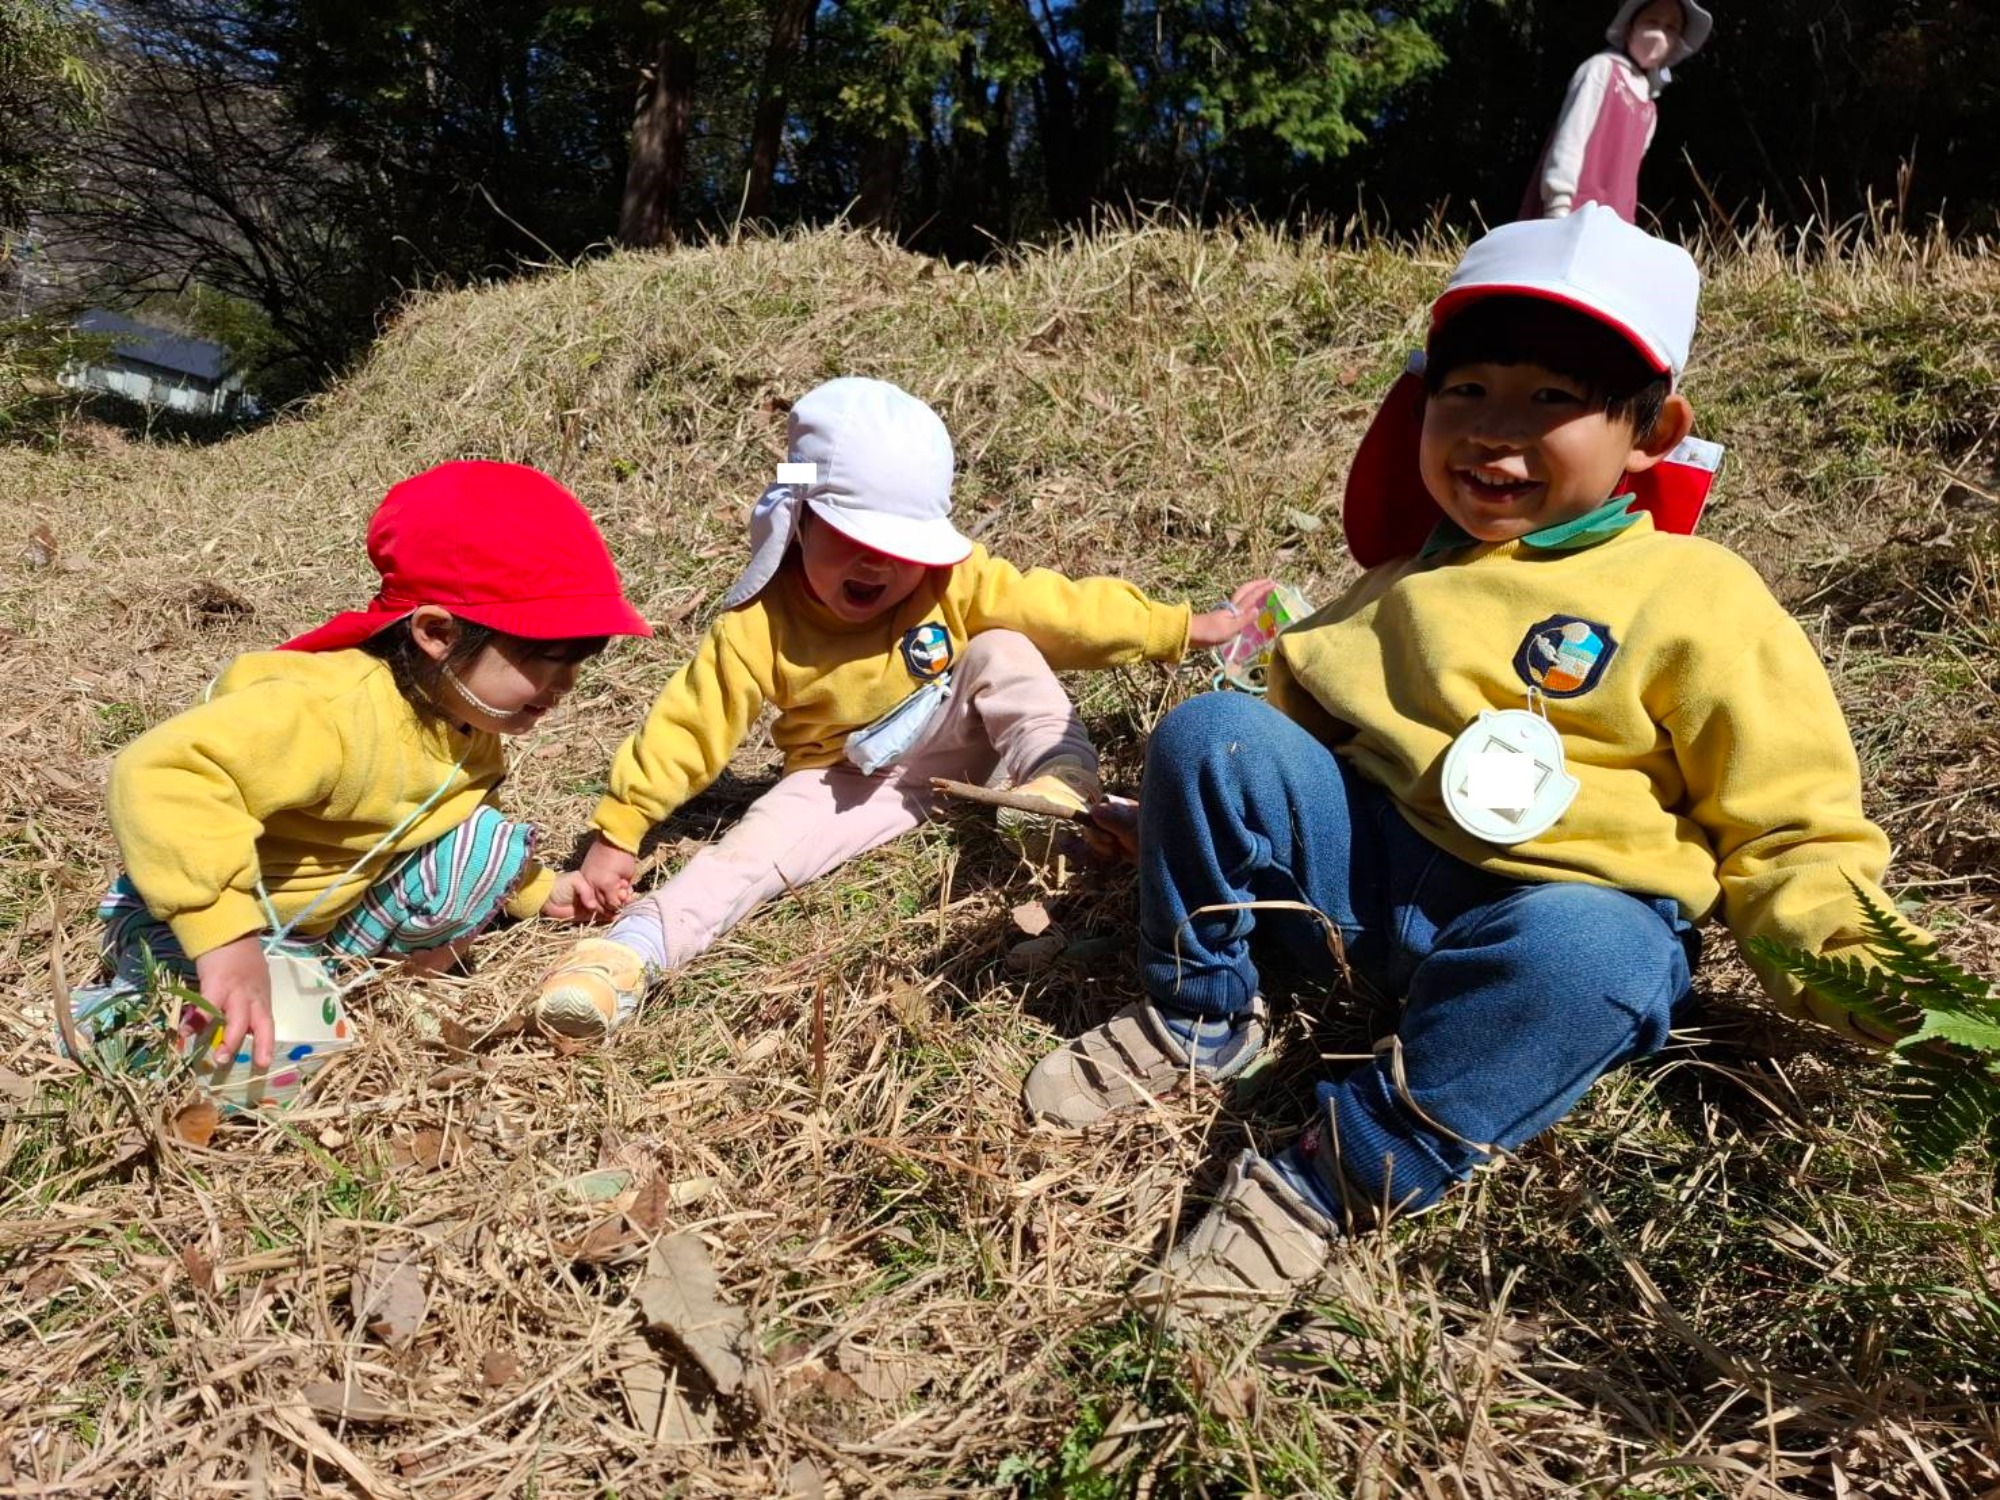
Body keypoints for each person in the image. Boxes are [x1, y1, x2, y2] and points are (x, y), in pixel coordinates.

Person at [1022, 206, 1916, 1321]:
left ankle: (1327, 1179)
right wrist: (1174, 820)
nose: (1495, 433)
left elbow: (1789, 826)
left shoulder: (1702, 595)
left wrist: (1878, 978)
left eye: (1550, 400)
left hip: (1547, 913)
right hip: (1365, 887)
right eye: (1465, 392)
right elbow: (1295, 732)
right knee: (1209, 732)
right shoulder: (1411, 572)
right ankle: (1200, 1012)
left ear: (1650, 429)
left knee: (1600, 951)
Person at [535, 376, 1270, 1039]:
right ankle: (627, 954)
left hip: (962, 725)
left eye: (901, 545)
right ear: (801, 521)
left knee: (1005, 647)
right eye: (854, 538)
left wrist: (1183, 627)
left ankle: (1060, 790)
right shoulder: (761, 623)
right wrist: (620, 830)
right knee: (751, 853)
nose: (880, 564)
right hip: (846, 779)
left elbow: (1063, 611)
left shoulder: (951, 580)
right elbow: (688, 726)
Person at [82, 461, 652, 1071]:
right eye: (546, 657)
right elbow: (162, 773)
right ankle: (100, 1026)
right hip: (195, 924)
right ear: (436, 632)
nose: (565, 684)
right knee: (237, 1060)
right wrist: (226, 939)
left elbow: (438, 822)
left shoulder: (464, 716)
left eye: (578, 662)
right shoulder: (328, 712)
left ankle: (323, 983)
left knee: (483, 844)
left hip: (316, 924)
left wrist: (541, 890)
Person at [1521, 0, 1714, 223]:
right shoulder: (1601, 70)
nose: (1660, 33)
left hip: (1613, 224)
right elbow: (1570, 138)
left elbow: (1628, 175)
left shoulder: (1649, 108)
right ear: (1631, 26)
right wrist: (1557, 207)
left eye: (1671, 28)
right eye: (1652, 21)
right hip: (1569, 215)